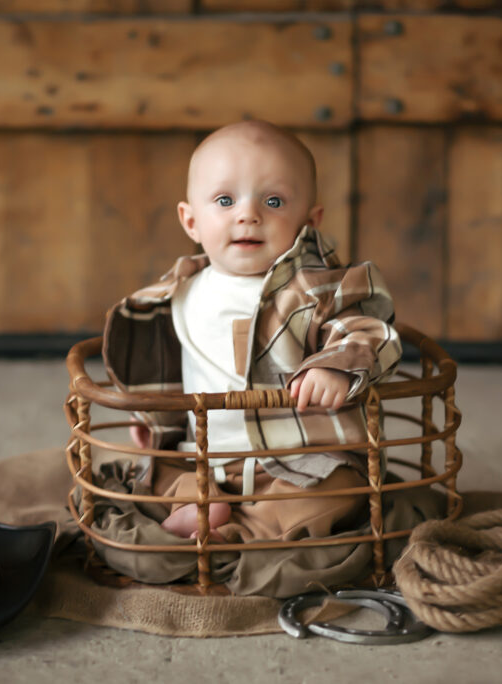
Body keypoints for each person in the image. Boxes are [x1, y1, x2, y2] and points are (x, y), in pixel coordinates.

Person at [102, 120, 402, 545]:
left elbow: (371, 330)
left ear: (309, 221)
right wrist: (151, 416)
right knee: (154, 471)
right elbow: (165, 365)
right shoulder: (177, 293)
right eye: (225, 200)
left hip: (301, 462)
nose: (248, 214)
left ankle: (242, 534)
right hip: (204, 455)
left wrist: (335, 367)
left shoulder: (320, 287)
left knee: (340, 493)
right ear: (190, 221)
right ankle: (196, 506)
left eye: (274, 201)